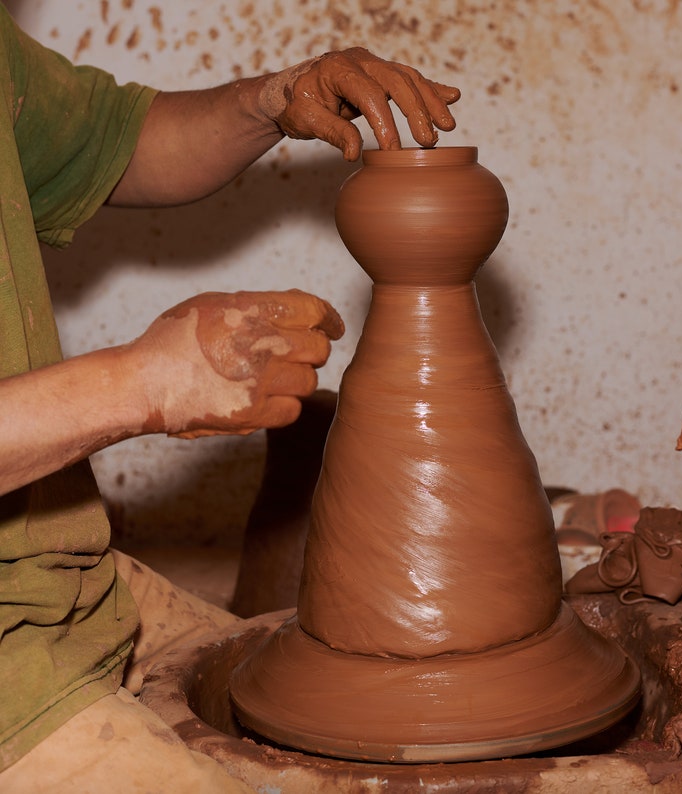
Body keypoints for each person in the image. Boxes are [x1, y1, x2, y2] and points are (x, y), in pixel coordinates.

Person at [0, 5, 459, 791]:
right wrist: (144, 383)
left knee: (323, 710)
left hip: (45, 561)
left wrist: (273, 99)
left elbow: (119, 142)